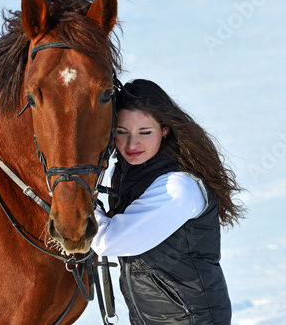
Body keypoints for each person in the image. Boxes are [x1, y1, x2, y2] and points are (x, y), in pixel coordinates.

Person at [91, 79, 245, 325]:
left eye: (145, 132)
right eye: (122, 132)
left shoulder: (177, 188)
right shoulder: (130, 172)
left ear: (165, 129)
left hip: (189, 319)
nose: (132, 144)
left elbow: (108, 241)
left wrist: (78, 203)